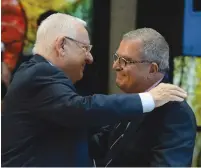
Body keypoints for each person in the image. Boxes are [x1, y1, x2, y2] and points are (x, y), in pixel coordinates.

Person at [1, 14, 187, 167]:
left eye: (125, 61)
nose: (90, 57)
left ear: (153, 69)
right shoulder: (39, 74)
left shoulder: (174, 111)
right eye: (85, 48)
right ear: (62, 45)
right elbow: (80, 109)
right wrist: (148, 100)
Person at [91, 28, 197, 167]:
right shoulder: (132, 100)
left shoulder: (176, 113)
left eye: (125, 61)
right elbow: (100, 146)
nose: (115, 66)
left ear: (152, 69)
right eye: (116, 58)